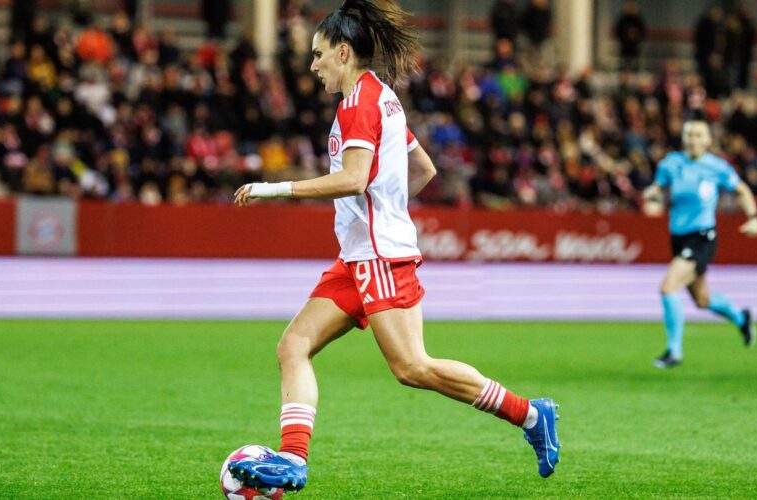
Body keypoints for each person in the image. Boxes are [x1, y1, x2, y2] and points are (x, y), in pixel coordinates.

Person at [227, 0, 560, 493]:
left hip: (378, 256)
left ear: (344, 52)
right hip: (362, 255)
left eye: (319, 55)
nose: (313, 65)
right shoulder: (382, 97)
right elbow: (422, 170)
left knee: (412, 367)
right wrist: (388, 209)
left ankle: (532, 415)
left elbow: (354, 178)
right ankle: (294, 460)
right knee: (293, 345)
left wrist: (274, 189)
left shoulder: (358, 103)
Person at [642, 120, 757, 369]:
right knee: (702, 300)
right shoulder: (671, 163)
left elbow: (742, 190)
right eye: (689, 134)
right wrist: (651, 194)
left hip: (702, 237)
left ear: (708, 141)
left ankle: (674, 351)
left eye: (698, 135)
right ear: (684, 139)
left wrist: (753, 218)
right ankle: (741, 318)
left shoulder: (717, 167)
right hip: (679, 238)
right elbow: (658, 189)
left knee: (668, 286)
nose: (693, 139)